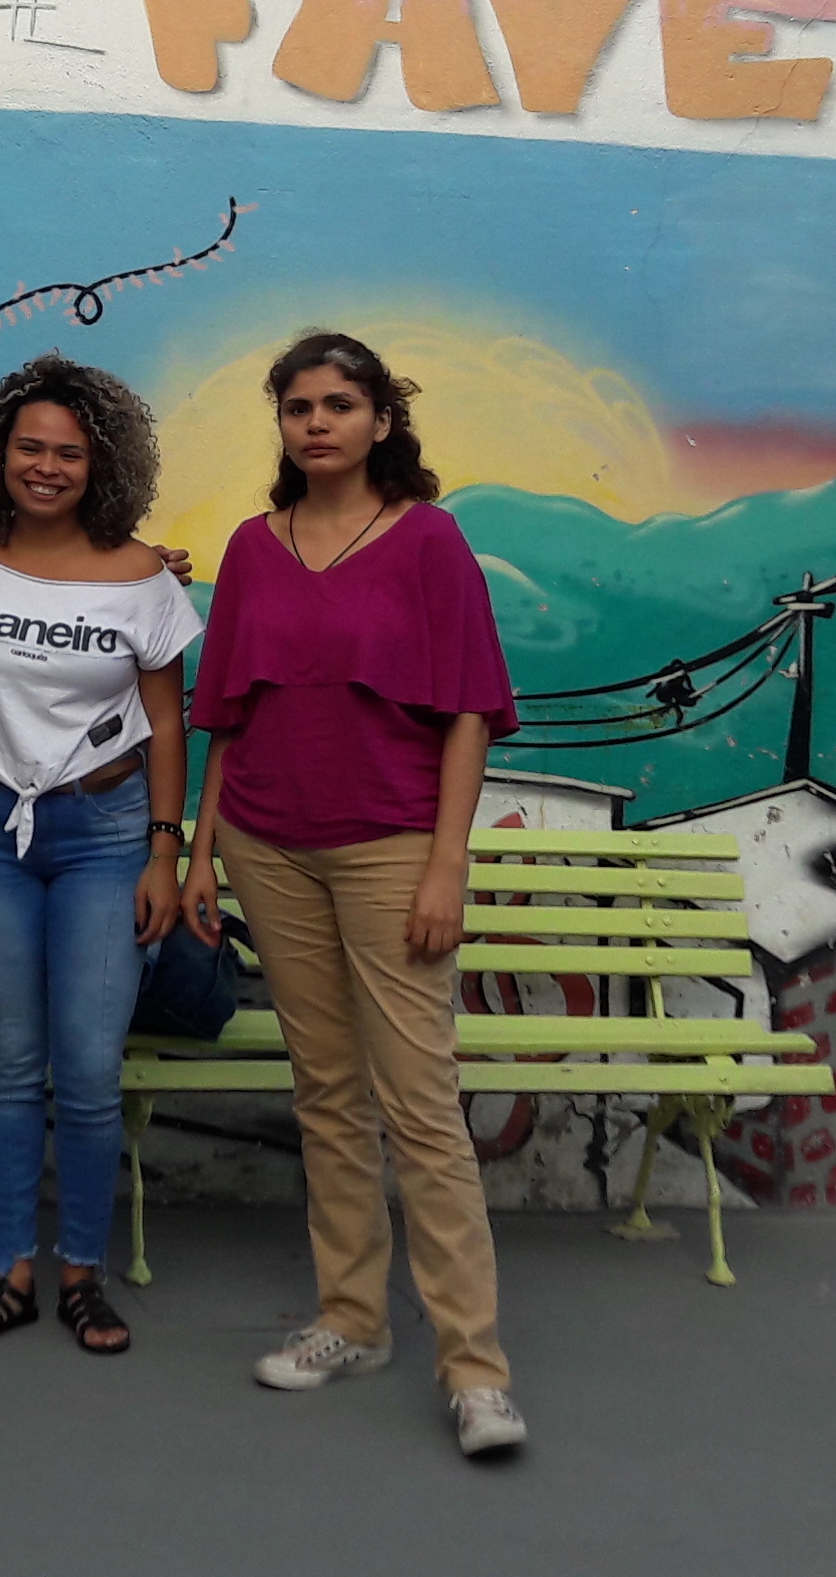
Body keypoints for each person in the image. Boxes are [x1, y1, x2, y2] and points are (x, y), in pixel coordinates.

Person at [178, 331, 527, 1459]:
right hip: (267, 848)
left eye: (339, 404)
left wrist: (445, 864)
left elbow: (469, 710)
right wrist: (202, 854)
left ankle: (476, 1370)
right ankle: (353, 1321)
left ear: (382, 420)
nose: (317, 423)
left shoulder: (429, 540)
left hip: (390, 849)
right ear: (280, 424)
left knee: (421, 1108)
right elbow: (226, 717)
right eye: (298, 407)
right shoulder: (253, 547)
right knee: (327, 1095)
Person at [0, 355, 199, 1358]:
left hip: (104, 834)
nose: (46, 467)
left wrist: (163, 853)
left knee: (86, 1066)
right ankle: (11, 1271)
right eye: (30, 448)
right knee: (10, 1063)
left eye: (70, 454)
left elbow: (168, 725)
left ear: (102, 465)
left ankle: (82, 1272)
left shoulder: (144, 580)